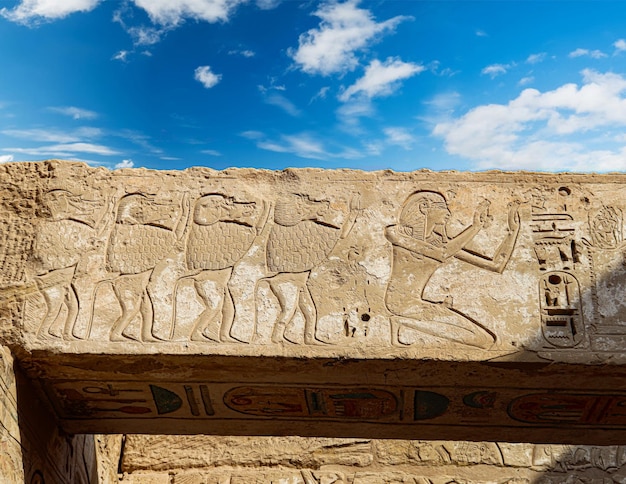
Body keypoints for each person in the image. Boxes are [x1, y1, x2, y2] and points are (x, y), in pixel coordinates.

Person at [384, 190, 520, 349]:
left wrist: (513, 232)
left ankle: (402, 322)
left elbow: (495, 266)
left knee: (485, 340)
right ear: (423, 207)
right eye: (442, 207)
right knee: (483, 341)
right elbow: (443, 253)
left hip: (419, 304)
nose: (448, 213)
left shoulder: (437, 242)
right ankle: (400, 321)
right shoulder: (396, 233)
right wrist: (475, 227)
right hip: (400, 304)